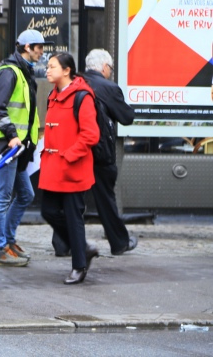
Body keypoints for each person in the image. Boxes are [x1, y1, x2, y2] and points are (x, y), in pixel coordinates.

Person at [0, 29, 47, 266]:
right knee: (2, 197)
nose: (42, 51)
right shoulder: (9, 72)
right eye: (38, 47)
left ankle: (7, 241)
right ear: (26, 47)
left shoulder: (21, 72)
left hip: (17, 148)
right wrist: (11, 135)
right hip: (6, 146)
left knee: (26, 194)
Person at [40, 53, 100, 285]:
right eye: (47, 66)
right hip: (55, 168)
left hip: (73, 167)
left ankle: (79, 265)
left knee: (74, 217)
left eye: (52, 66)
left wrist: (69, 155)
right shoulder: (53, 95)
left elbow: (91, 134)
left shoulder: (82, 96)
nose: (47, 70)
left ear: (67, 70)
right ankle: (83, 248)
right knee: (48, 210)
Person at [83, 49, 137, 255]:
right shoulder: (108, 87)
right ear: (104, 67)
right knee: (106, 198)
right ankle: (119, 242)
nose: (110, 72)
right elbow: (126, 117)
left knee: (72, 199)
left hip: (77, 150)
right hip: (99, 151)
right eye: (110, 69)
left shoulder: (75, 83)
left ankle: (63, 245)